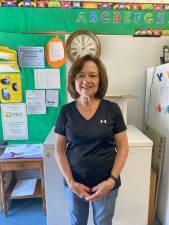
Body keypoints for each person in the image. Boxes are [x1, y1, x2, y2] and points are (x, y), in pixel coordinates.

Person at [54, 54, 128, 225]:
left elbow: (123, 147)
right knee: (77, 221)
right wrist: (71, 182)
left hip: (106, 183)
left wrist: (111, 181)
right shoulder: (66, 112)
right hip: (75, 183)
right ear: (73, 80)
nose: (86, 80)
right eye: (81, 75)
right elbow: (59, 149)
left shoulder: (112, 109)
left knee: (103, 222)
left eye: (92, 75)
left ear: (100, 80)